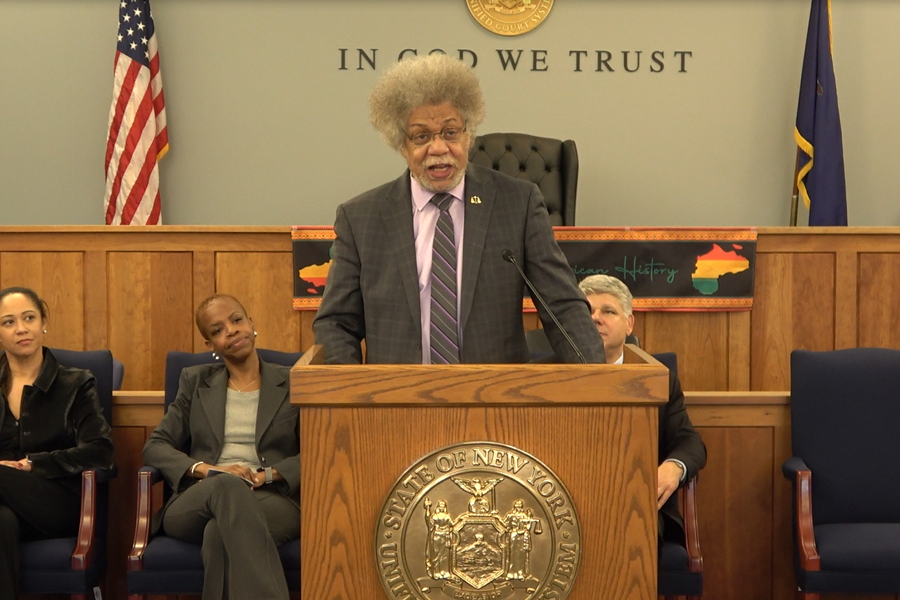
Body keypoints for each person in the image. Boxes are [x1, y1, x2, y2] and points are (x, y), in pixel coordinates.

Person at [313, 53, 604, 365]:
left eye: (450, 132)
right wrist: (350, 397)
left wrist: (598, 383)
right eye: (421, 136)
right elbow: (336, 323)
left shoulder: (518, 204)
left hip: (496, 402)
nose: (439, 149)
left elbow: (562, 305)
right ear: (401, 144)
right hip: (396, 404)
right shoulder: (361, 219)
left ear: (468, 135)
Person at [143, 294, 299, 600]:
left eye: (237, 320)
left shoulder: (292, 382)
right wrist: (209, 470)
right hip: (199, 499)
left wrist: (268, 475)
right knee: (226, 486)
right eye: (217, 330)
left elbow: (321, 452)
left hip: (273, 496)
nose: (231, 331)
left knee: (217, 535)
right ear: (210, 345)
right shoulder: (195, 382)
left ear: (251, 324)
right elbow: (155, 445)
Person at [0, 287, 114, 600]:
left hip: (56, 503)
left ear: (43, 322)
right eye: (8, 322)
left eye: (28, 318)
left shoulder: (75, 383)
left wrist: (32, 464)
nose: (21, 328)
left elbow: (101, 452)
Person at [578, 274, 706, 546]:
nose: (595, 318)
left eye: (608, 311)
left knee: (628, 530)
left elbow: (689, 442)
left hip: (637, 504)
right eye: (586, 311)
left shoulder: (657, 378)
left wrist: (673, 467)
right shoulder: (545, 375)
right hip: (568, 501)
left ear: (628, 324)